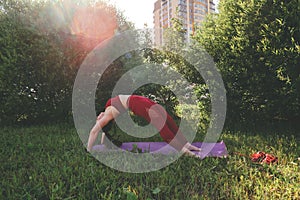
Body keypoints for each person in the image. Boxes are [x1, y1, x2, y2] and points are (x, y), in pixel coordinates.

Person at [87, 95, 201, 156]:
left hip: (140, 102)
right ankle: (186, 148)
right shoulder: (108, 113)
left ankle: (187, 147)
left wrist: (91, 148)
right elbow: (98, 132)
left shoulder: (107, 111)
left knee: (166, 125)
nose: (98, 118)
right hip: (140, 101)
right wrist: (90, 148)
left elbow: (98, 132)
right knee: (166, 124)